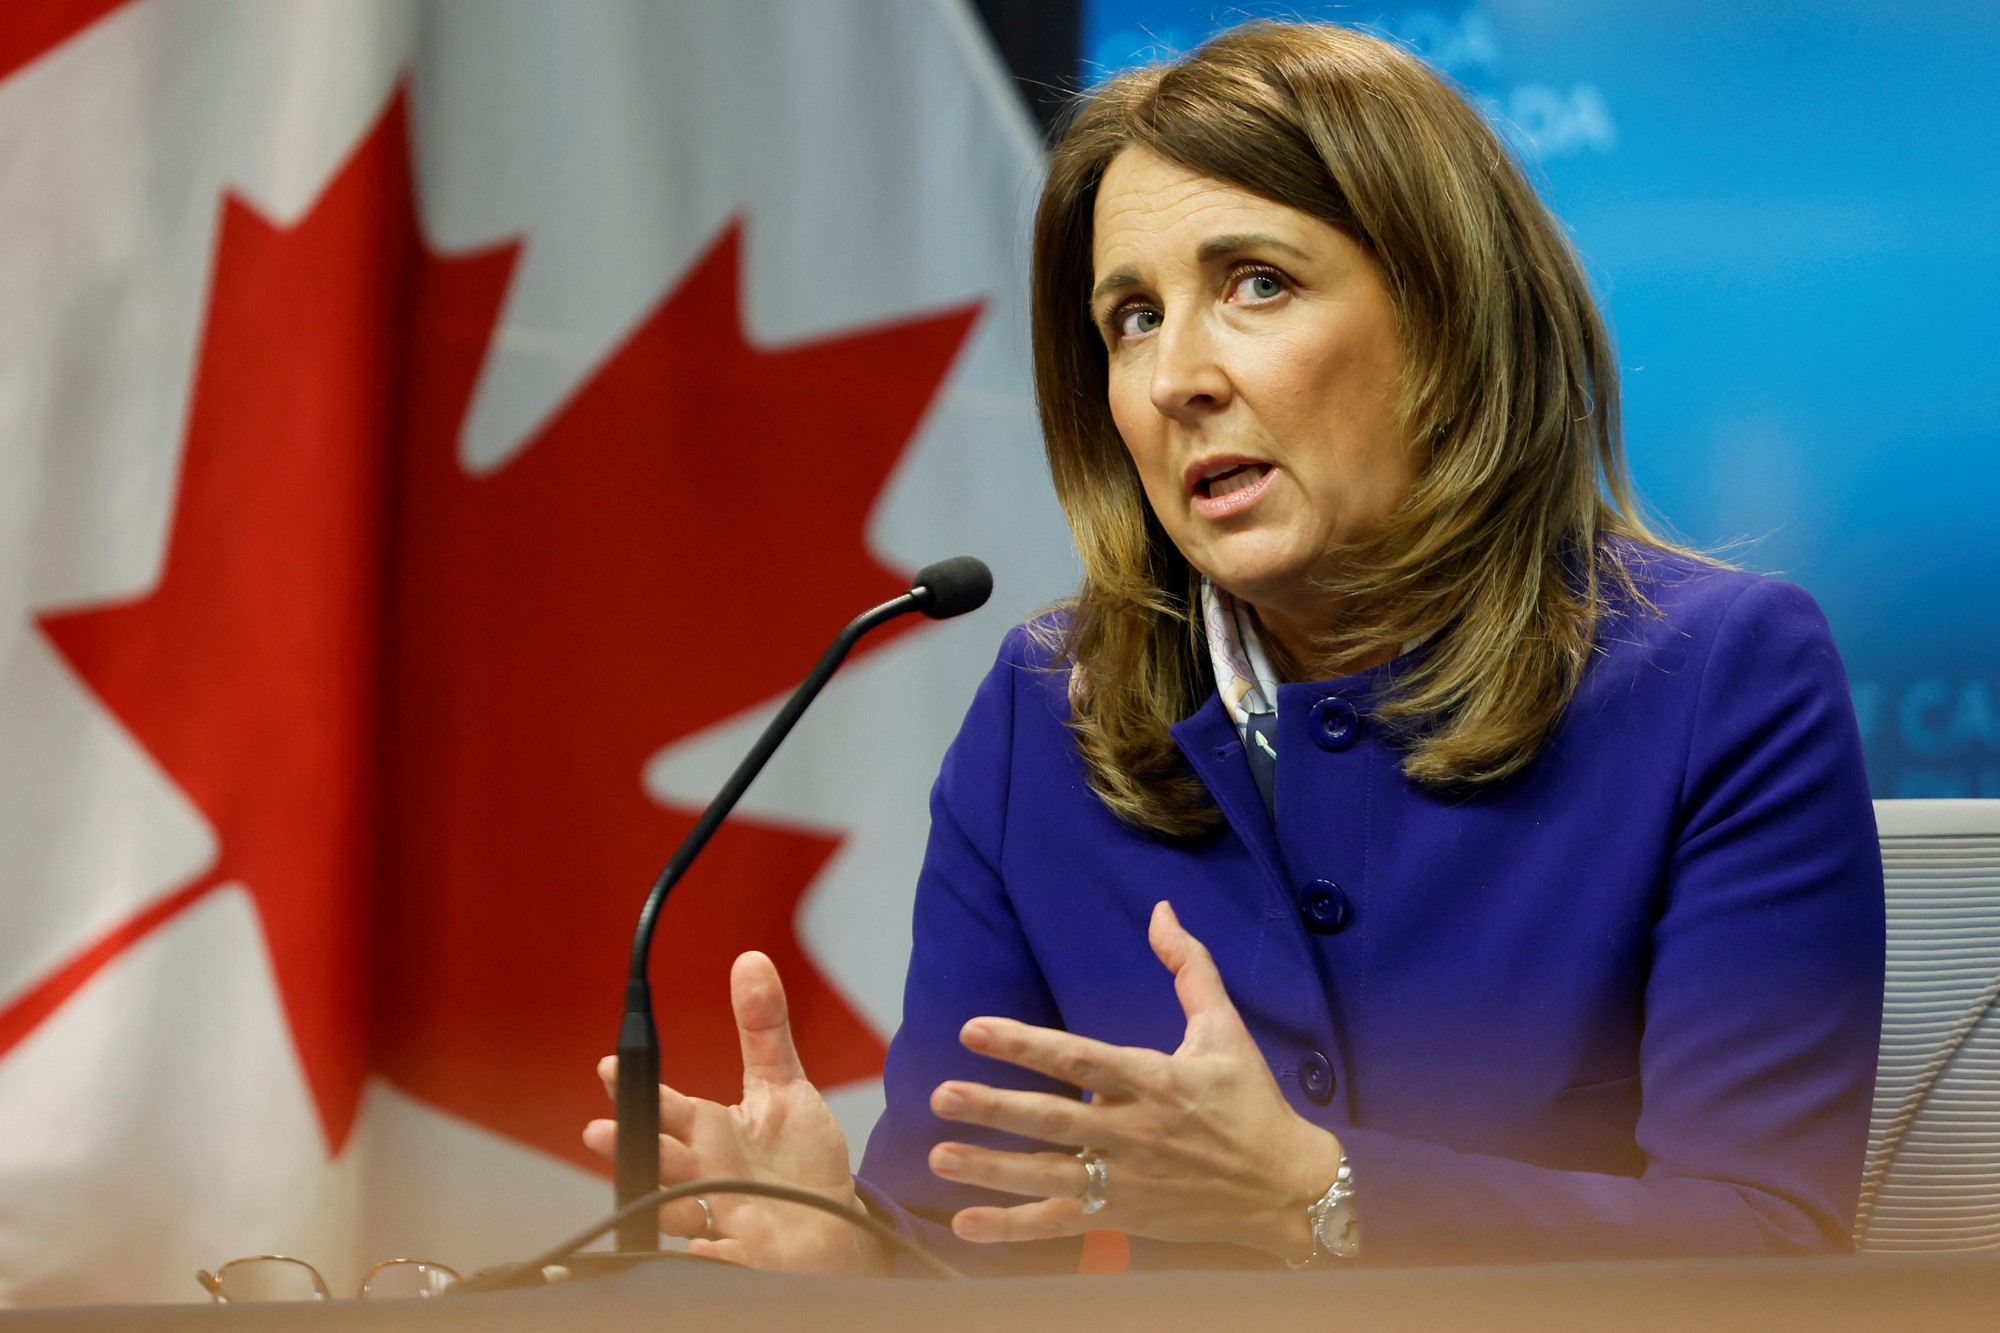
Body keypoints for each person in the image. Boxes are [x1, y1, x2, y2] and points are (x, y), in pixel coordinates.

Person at [583, 21, 1883, 1274]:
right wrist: (857, 1262)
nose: (1174, 379)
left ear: (1452, 315)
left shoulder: (1722, 677)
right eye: (1132, 317)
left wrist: (1321, 1197)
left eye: (1254, 283)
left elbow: (1767, 1241)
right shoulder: (1051, 714)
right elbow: (972, 1242)